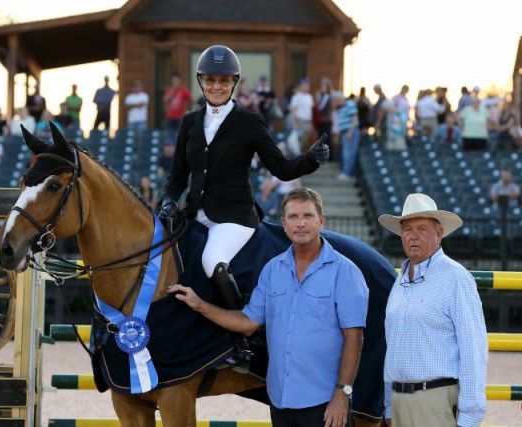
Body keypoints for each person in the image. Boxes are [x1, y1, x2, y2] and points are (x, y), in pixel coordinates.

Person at [158, 45, 329, 367]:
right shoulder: (190, 122)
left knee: (212, 259)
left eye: (224, 80)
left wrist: (309, 160)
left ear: (234, 82)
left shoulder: (249, 122)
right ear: (201, 82)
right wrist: (168, 198)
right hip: (195, 211)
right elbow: (178, 174)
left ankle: (240, 339)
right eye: (210, 80)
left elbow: (280, 168)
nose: (217, 86)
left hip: (234, 216)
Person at [168, 187, 368, 427]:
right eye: (293, 217)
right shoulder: (272, 270)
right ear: (284, 224)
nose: (301, 223)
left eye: (308, 216)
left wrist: (342, 394)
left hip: (325, 403)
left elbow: (354, 337)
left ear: (321, 221)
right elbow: (248, 323)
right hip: (281, 403)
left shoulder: (345, 271)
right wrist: (199, 305)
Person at [378, 193, 488, 427]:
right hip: (400, 402)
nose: (413, 236)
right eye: (407, 229)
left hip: (436, 402)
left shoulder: (456, 278)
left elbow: (473, 350)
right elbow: (393, 346)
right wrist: (389, 405)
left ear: (439, 234)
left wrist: (469, 417)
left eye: (422, 228)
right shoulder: (400, 280)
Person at [289, 77, 314, 151]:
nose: (307, 87)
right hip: (300, 122)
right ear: (301, 86)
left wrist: (311, 123)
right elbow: (293, 111)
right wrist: (294, 124)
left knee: (307, 142)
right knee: (300, 141)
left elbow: (311, 110)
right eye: (305, 85)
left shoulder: (309, 97)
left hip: (308, 122)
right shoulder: (296, 97)